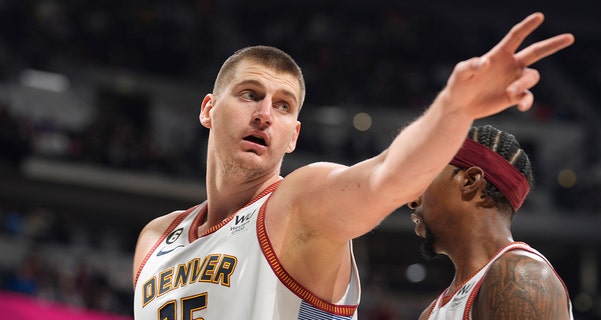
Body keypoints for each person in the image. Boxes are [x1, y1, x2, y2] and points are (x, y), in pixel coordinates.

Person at [132, 12, 574, 319]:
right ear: (209, 109)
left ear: (294, 136)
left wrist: (453, 109)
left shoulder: (300, 203)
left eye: (283, 106)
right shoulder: (154, 239)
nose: (265, 113)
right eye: (249, 94)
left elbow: (385, 179)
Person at [408, 124, 574, 319]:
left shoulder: (520, 278)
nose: (412, 200)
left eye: (426, 178)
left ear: (470, 181)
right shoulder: (430, 313)